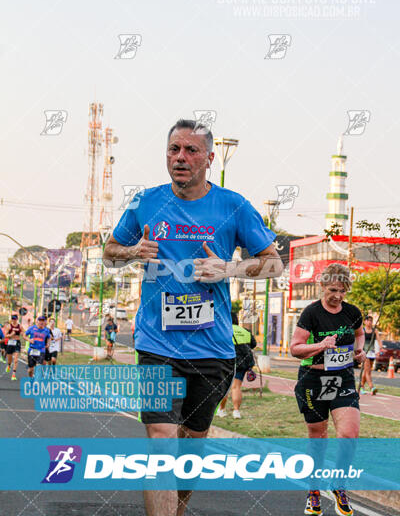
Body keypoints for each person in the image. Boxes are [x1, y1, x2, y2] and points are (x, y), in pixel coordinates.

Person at [103, 119, 283, 516]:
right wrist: (133, 253)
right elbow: (109, 252)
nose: (180, 158)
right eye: (174, 150)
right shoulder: (144, 202)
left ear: (209, 158)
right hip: (156, 343)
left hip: (212, 348)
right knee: (161, 440)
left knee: (191, 446)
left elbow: (274, 265)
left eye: (191, 150)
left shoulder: (233, 205)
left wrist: (228, 269)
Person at [290, 263, 366, 516]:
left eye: (343, 290)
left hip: (342, 378)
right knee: (318, 439)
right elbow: (295, 348)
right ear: (322, 286)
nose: (338, 295)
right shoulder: (311, 313)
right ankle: (313, 491)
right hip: (314, 378)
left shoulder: (352, 311)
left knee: (349, 434)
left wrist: (359, 351)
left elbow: (359, 333)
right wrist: (321, 345)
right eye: (333, 289)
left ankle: (338, 483)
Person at [217, 311, 257, 419]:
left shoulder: (224, 331)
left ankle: (221, 410)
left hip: (228, 362)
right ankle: (236, 411)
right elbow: (253, 344)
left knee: (225, 387)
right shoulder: (245, 331)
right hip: (242, 363)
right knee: (236, 387)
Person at [360, 315, 383, 395]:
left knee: (366, 371)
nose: (369, 322)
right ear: (365, 321)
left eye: (371, 321)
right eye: (368, 320)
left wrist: (381, 348)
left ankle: (361, 387)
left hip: (372, 353)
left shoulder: (375, 331)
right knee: (368, 371)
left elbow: (379, 340)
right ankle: (372, 387)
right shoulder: (362, 330)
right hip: (364, 353)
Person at [3, 314, 25, 381]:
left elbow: (24, 333)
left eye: (15, 319)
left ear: (17, 319)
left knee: (15, 360)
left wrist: (22, 334)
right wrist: (11, 334)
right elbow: (5, 336)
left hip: (17, 343)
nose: (14, 320)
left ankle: (13, 374)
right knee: (9, 359)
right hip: (10, 343)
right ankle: (9, 365)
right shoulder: (9, 326)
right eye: (13, 319)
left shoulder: (20, 326)